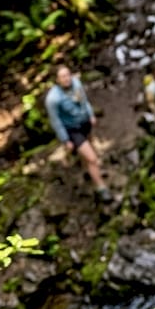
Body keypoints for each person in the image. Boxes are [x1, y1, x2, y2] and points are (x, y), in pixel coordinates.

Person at [44, 65, 113, 204]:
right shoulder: (53, 99)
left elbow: (84, 100)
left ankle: (89, 169)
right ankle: (101, 187)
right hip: (72, 130)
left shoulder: (76, 83)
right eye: (63, 76)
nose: (67, 79)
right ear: (57, 80)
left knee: (89, 149)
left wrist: (91, 114)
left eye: (68, 75)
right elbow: (55, 121)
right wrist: (65, 140)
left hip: (84, 121)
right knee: (92, 158)